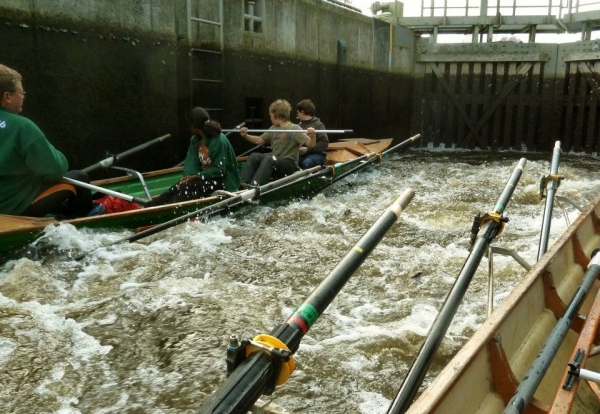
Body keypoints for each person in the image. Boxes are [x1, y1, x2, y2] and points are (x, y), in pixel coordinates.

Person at [0, 63, 92, 218]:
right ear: (7, 97)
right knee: (79, 177)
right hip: (13, 210)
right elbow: (56, 169)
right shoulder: (22, 127)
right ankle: (79, 226)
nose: (23, 97)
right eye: (21, 93)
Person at [146, 107, 241, 207]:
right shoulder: (195, 140)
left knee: (190, 188)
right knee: (176, 188)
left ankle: (166, 211)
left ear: (192, 125)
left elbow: (219, 170)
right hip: (204, 177)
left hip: (223, 182)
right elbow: (191, 164)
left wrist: (196, 176)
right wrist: (187, 178)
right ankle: (149, 208)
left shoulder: (219, 141)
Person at [239, 99, 316, 187]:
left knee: (270, 159)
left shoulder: (294, 128)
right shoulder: (273, 128)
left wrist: (313, 136)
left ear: (276, 115)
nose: (270, 118)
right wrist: (246, 136)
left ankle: (254, 187)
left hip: (289, 165)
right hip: (275, 161)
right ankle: (243, 185)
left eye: (271, 115)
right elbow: (259, 140)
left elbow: (310, 144)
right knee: (254, 156)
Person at [296, 99, 329, 169]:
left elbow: (324, 143)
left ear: (302, 112)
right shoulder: (299, 125)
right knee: (293, 162)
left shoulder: (318, 125)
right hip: (302, 155)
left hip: (317, 154)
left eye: (298, 112)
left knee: (307, 163)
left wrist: (308, 149)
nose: (297, 115)